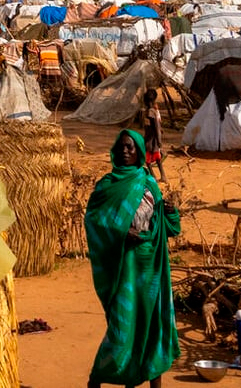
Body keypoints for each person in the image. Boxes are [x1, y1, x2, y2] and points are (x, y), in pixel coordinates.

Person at [85, 129, 181, 388]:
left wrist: (171, 212)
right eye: (122, 147)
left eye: (131, 148)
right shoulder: (107, 185)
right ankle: (97, 378)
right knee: (121, 328)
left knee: (150, 327)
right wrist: (121, 231)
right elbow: (94, 220)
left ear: (139, 151)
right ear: (115, 151)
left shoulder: (148, 183)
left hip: (150, 268)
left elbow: (169, 228)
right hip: (123, 267)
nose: (126, 151)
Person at [140, 88, 166, 181]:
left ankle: (154, 176)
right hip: (151, 138)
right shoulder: (152, 110)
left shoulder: (151, 112)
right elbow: (157, 125)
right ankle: (162, 176)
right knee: (156, 158)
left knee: (148, 159)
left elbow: (156, 127)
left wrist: (159, 141)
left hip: (151, 139)